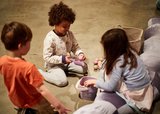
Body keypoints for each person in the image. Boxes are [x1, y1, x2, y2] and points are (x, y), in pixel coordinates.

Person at [74, 28, 155, 114]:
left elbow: (110, 87)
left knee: (106, 75)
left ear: (111, 49)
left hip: (135, 95)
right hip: (145, 88)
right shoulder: (131, 52)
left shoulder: (119, 63)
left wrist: (95, 81)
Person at [0, 21, 70, 114]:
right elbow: (42, 90)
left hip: (17, 100)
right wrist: (58, 105)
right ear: (20, 46)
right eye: (29, 42)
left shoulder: (2, 61)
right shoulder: (28, 68)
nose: (30, 44)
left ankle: (24, 110)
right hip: (35, 101)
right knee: (48, 111)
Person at [39, 2, 88, 87]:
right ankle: (40, 73)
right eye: (64, 26)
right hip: (54, 65)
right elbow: (47, 57)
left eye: (69, 26)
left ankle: (63, 72)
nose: (67, 29)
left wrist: (80, 53)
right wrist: (62, 59)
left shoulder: (69, 34)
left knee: (84, 68)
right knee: (62, 82)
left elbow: (75, 46)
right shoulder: (50, 38)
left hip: (67, 62)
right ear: (55, 23)